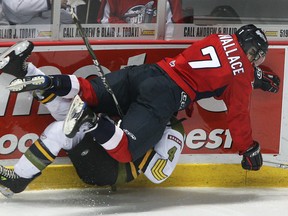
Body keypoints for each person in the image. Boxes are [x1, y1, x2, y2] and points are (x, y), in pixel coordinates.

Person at [0, 24, 281, 196]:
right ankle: (91, 121)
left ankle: (37, 74)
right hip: (165, 95)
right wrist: (248, 148)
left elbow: (226, 69)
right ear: (250, 52)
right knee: (123, 148)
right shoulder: (242, 72)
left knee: (88, 91)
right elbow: (238, 113)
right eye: (255, 57)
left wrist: (256, 77)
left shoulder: (219, 38)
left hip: (148, 73)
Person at [0, 41, 185, 197]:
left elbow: (159, 173)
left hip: (113, 169)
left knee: (59, 130)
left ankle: (17, 180)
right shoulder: (141, 96)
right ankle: (25, 71)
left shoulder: (173, 129)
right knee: (71, 109)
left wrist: (130, 138)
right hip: (99, 146)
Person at [97, 0, 183, 24]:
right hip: (123, 45)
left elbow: (174, 26)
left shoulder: (171, 1)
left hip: (155, 47)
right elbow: (104, 21)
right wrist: (131, 30)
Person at [2, 0, 73, 24]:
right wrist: (49, 2)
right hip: (14, 31)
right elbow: (17, 8)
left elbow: (68, 19)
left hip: (45, 31)